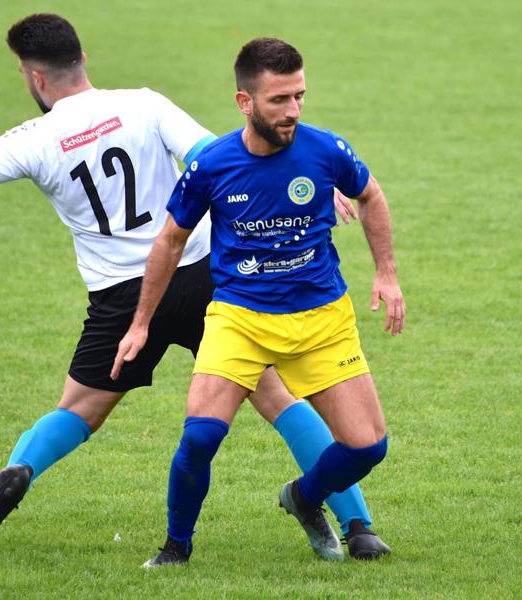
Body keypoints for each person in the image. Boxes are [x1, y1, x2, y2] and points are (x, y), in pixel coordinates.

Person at [0, 14, 391, 559]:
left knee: (80, 409)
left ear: (34, 77)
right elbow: (220, 155)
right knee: (279, 399)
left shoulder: (34, 139)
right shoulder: (145, 104)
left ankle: (21, 467)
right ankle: (357, 522)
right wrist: (309, 178)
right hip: (207, 275)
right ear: (82, 62)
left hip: (125, 298)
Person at [113, 37, 405, 567]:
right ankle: (176, 547)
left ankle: (303, 497)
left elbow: (372, 195)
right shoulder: (213, 166)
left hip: (322, 319)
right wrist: (140, 323)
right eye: (279, 100)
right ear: (245, 102)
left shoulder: (326, 150)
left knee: (367, 447)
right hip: (240, 319)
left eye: (299, 96)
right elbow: (170, 242)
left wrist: (386, 273)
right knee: (200, 435)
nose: (292, 110)